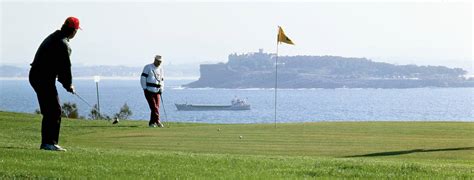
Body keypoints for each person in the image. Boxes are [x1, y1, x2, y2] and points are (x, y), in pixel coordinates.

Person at [29, 17, 81, 151]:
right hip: (42, 78)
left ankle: (48, 143)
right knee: (54, 110)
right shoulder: (63, 44)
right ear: (74, 31)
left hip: (37, 76)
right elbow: (65, 68)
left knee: (50, 110)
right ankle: (49, 143)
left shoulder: (54, 37)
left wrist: (65, 83)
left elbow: (57, 65)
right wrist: (68, 85)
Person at [141, 55, 165, 128]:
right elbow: (143, 78)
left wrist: (161, 88)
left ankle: (152, 123)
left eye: (160, 61)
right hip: (149, 90)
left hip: (157, 91)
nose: (159, 63)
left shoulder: (161, 69)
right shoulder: (148, 67)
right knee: (154, 107)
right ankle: (157, 121)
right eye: (158, 61)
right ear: (155, 60)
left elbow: (162, 80)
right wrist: (144, 88)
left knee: (156, 107)